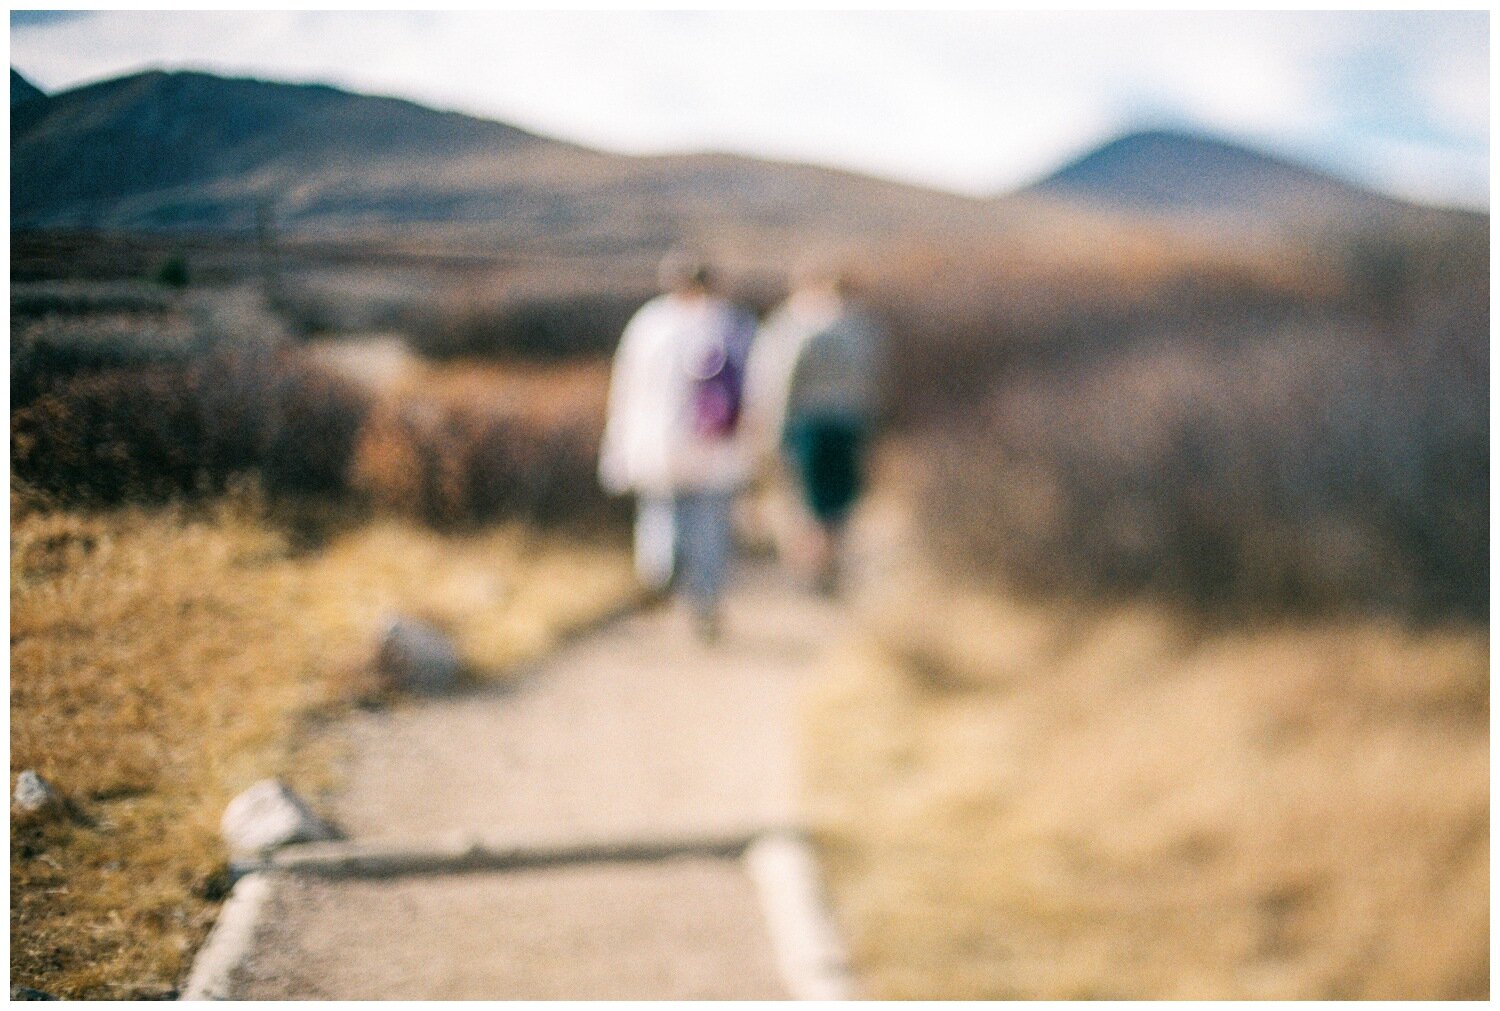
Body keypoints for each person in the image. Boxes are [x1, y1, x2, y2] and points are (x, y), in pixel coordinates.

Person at [598, 251, 755, 641]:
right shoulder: (733, 324)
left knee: (662, 518)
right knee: (709, 527)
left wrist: (618, 446)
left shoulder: (650, 324)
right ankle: (703, 603)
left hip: (657, 445)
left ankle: (662, 581)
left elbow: (627, 387)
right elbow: (756, 392)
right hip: (714, 447)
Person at [745, 268, 882, 595]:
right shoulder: (863, 328)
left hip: (808, 424)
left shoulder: (797, 328)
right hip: (849, 422)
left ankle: (813, 568)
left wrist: (772, 431)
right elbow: (874, 381)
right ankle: (829, 562)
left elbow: (780, 385)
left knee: (806, 500)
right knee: (837, 499)